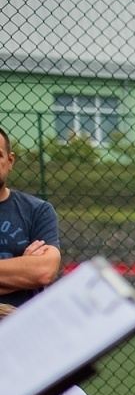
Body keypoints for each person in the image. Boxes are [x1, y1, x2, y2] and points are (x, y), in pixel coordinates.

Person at [0, 125, 61, 306]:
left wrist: (33, 270)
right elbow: (33, 272)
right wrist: (23, 267)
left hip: (22, 320)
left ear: (10, 161)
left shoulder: (37, 211)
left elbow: (44, 271)